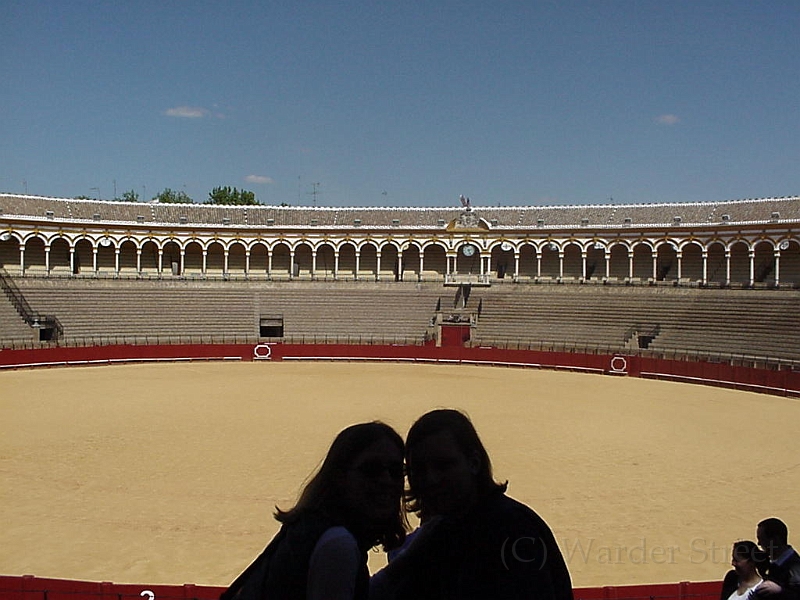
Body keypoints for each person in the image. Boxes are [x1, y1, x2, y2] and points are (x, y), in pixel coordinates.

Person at [370, 408, 573, 600]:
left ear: (474, 463)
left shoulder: (512, 527)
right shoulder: (441, 533)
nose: (430, 479)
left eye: (443, 466)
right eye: (418, 469)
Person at [221, 421, 406, 600]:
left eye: (396, 471)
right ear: (340, 477)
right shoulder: (338, 544)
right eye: (371, 470)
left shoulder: (306, 528)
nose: (386, 480)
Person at [755, 518, 800, 600]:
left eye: (761, 539)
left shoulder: (795, 566)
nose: (759, 543)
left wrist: (780, 590)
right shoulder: (774, 564)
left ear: (775, 540)